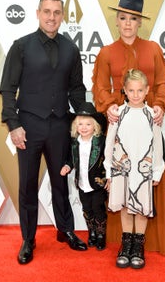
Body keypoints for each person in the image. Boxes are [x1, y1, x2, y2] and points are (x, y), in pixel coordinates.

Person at [0, 0, 88, 265]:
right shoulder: (21, 46)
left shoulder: (71, 50)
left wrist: (86, 118)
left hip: (60, 126)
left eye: (57, 12)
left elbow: (76, 89)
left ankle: (66, 230)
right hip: (28, 126)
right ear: (38, 13)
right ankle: (28, 239)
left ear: (62, 16)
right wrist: (13, 125)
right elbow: (8, 88)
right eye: (47, 11)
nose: (52, 17)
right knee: (27, 184)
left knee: (61, 181)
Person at [91, 0, 165, 256]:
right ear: (117, 21)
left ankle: (145, 242)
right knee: (123, 183)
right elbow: (100, 87)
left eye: (134, 19)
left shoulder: (153, 48)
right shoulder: (106, 52)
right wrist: (109, 106)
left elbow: (162, 81)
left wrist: (160, 104)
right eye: (123, 18)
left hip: (149, 126)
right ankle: (126, 241)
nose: (128, 23)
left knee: (149, 179)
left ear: (140, 22)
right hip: (121, 126)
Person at [104, 69, 165, 269]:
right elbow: (109, 143)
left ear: (147, 90)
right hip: (121, 168)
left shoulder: (152, 115)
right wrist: (108, 169)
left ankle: (138, 245)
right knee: (124, 206)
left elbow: (157, 145)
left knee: (140, 207)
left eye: (140, 90)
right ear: (125, 91)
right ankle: (126, 243)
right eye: (131, 90)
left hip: (143, 169)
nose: (136, 94)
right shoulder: (118, 114)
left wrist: (157, 171)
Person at [60, 102, 108, 250]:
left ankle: (101, 235)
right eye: (80, 124)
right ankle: (92, 232)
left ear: (95, 126)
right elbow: (72, 158)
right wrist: (68, 166)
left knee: (98, 209)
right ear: (75, 126)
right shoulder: (75, 143)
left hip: (97, 183)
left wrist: (108, 178)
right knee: (87, 209)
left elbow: (108, 160)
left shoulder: (101, 142)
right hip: (82, 184)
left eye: (88, 124)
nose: (84, 127)